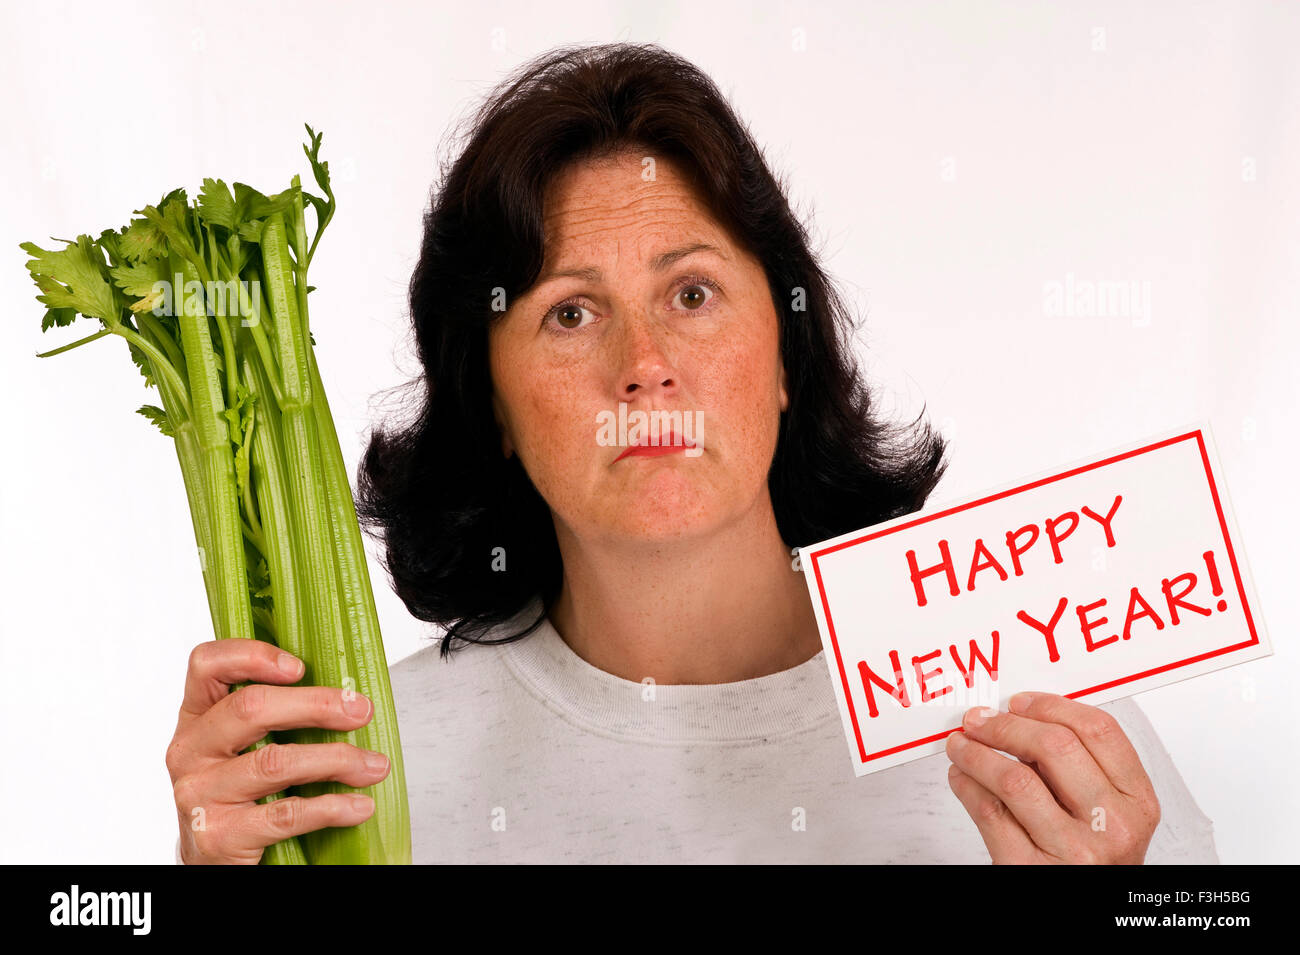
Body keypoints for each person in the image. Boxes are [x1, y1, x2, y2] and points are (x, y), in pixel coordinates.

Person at [166, 42, 1218, 864]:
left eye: (692, 293)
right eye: (570, 313)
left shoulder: (1045, 724)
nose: (646, 366)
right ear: (490, 401)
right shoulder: (359, 779)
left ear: (784, 355)